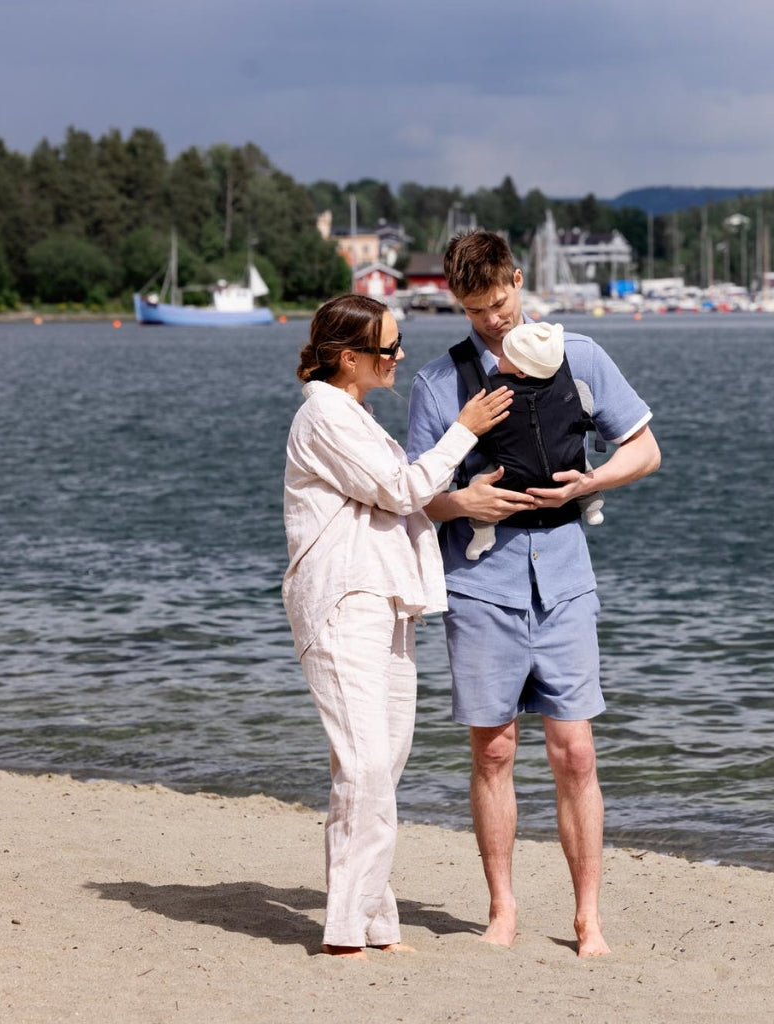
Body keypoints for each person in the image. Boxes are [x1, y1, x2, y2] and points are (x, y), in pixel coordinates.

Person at [406, 231, 660, 957]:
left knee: (575, 752)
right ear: (457, 299)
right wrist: (463, 506)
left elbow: (645, 448)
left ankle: (588, 919)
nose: (494, 319)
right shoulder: (437, 385)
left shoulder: (581, 357)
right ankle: (503, 910)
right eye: (477, 308)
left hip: (566, 576)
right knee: (493, 750)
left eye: (502, 300)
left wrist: (594, 481)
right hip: (481, 583)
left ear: (519, 279)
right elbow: (414, 498)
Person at [282, 293, 513, 961]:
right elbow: (402, 489)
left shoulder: (349, 415)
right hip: (344, 600)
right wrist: (465, 430)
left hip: (385, 600)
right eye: (388, 348)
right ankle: (348, 931)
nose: (399, 356)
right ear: (349, 357)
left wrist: (463, 500)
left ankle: (373, 923)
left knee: (382, 765)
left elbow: (400, 498)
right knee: (364, 766)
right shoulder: (324, 417)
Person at [462, 319, 604, 560]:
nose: (498, 361)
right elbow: (585, 405)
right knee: (581, 466)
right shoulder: (570, 386)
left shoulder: (494, 392)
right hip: (563, 463)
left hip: (510, 471)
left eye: (505, 357)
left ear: (521, 371)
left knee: (479, 481)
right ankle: (592, 505)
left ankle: (483, 532)